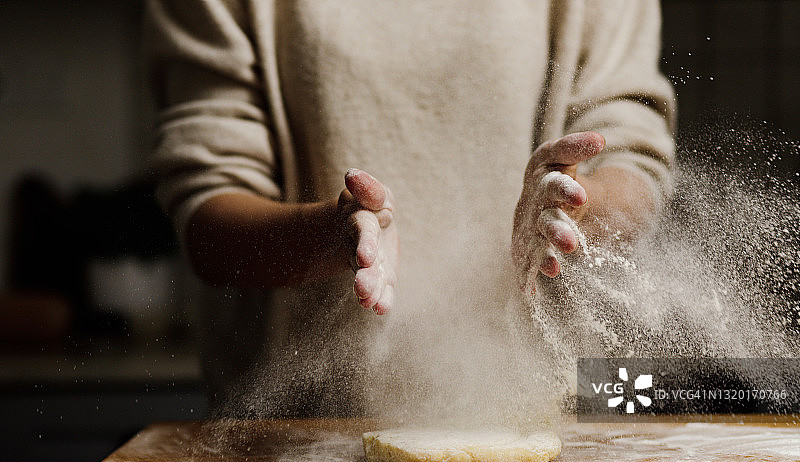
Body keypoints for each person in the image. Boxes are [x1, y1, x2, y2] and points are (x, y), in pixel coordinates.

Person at [145, 0, 675, 415]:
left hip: (554, 414)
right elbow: (208, 213)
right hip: (297, 439)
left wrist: (572, 207)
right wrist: (332, 237)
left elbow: (630, 151)